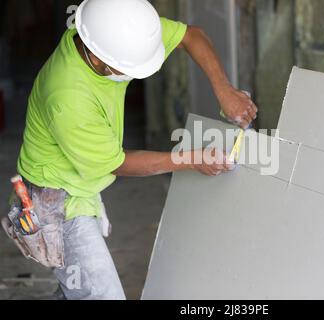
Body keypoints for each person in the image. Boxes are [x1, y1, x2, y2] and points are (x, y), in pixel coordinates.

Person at [16, 0, 257, 299]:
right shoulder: (68, 97)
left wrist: (225, 91)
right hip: (57, 197)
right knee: (103, 294)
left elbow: (191, 35)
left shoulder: (115, 32)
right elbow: (117, 163)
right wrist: (192, 160)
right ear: (98, 57)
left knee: (78, 288)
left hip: (81, 177)